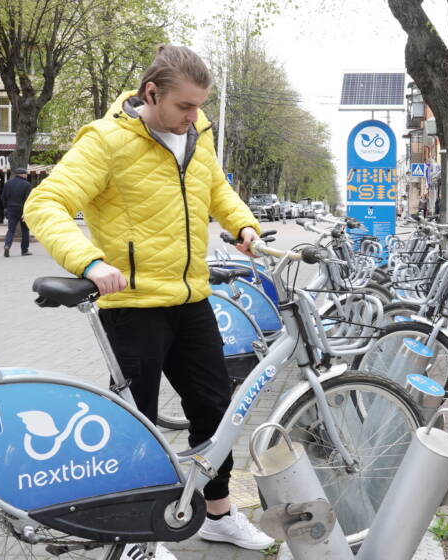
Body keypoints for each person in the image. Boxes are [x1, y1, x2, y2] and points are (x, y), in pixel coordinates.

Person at [24, 45, 271, 558]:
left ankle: (219, 516)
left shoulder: (197, 136)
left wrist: (242, 223)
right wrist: (89, 262)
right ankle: (139, 534)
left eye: (200, 106)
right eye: (184, 107)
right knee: (140, 421)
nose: (193, 117)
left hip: (191, 297)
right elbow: (45, 202)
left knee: (214, 409)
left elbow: (216, 190)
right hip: (132, 304)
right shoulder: (107, 140)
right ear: (151, 94)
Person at [1, 168, 32, 257]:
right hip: (23, 211)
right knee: (25, 230)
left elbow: (3, 197)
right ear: (22, 174)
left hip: (11, 209)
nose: (26, 175)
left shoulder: (8, 184)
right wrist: (26, 211)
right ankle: (24, 250)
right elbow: (29, 200)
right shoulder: (27, 185)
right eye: (26, 174)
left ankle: (7, 246)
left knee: (11, 230)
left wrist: (6, 208)